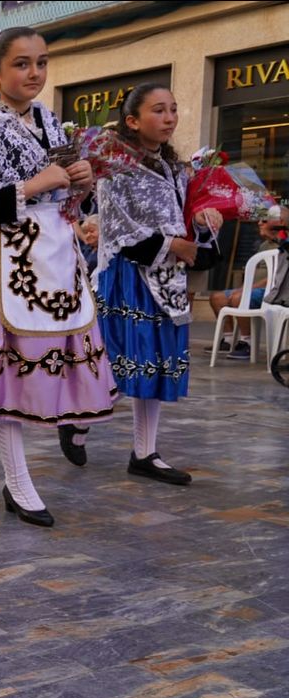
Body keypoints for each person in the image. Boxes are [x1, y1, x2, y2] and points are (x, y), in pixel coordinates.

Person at [0, 27, 116, 527]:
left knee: (30, 367)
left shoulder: (50, 120)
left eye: (41, 62)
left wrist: (79, 184)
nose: (34, 73)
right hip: (1, 260)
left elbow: (61, 197)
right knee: (8, 369)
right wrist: (38, 183)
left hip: (53, 257)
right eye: (21, 64)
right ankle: (18, 484)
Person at [94, 84, 221, 483]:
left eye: (173, 109)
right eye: (159, 110)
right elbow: (117, 228)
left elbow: (181, 217)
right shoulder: (114, 166)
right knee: (115, 363)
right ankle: (74, 421)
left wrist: (201, 223)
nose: (169, 118)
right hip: (130, 277)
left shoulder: (173, 169)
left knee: (153, 363)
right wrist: (173, 244)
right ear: (132, 121)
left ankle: (145, 452)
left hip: (167, 276)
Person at [205, 215, 285, 359]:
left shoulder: (283, 245)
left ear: (278, 223)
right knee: (217, 298)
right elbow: (253, 272)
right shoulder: (264, 245)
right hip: (253, 288)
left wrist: (246, 289)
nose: (259, 223)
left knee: (239, 298)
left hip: (273, 292)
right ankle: (228, 340)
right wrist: (243, 287)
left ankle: (246, 343)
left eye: (264, 221)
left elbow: (275, 277)